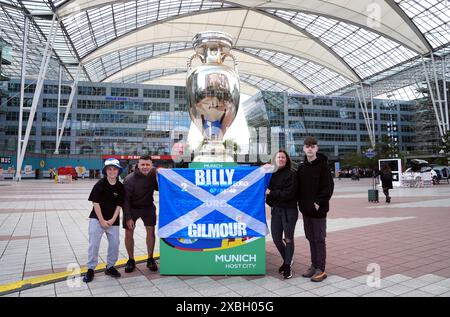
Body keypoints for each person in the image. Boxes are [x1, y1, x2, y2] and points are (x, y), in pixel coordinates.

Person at [296, 136, 333, 282]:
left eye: (313, 146)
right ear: (304, 149)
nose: (310, 148)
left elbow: (328, 187)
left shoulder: (323, 165)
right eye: (307, 146)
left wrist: (318, 203)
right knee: (310, 238)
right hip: (306, 210)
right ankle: (313, 265)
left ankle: (321, 269)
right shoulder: (302, 167)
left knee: (319, 239)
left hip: (318, 211)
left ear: (316, 148)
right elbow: (297, 188)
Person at [84, 158, 124, 283]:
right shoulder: (100, 185)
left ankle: (110, 266)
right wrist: (101, 220)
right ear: (106, 171)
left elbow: (119, 205)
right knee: (94, 244)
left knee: (114, 244)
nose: (112, 171)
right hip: (97, 218)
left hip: (113, 220)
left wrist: (112, 220)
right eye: (109, 169)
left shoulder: (120, 187)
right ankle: (90, 269)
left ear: (118, 171)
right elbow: (96, 203)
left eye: (115, 169)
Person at [123, 155, 159, 273]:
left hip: (148, 207)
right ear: (138, 165)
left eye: (147, 165)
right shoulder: (129, 179)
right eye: (142, 164)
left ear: (151, 165)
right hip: (132, 208)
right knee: (129, 233)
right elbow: (125, 201)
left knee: (151, 231)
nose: (145, 167)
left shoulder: (153, 175)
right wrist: (128, 217)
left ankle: (150, 258)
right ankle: (131, 260)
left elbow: (159, 187)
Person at [266, 150, 298, 279]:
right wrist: (271, 198)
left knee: (289, 239)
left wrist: (272, 193)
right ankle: (288, 260)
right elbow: (268, 196)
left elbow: (289, 194)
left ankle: (287, 266)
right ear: (275, 159)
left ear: (287, 159)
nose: (281, 159)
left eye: (283, 157)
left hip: (289, 210)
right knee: (276, 238)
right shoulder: (271, 175)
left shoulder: (292, 174)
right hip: (276, 210)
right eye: (278, 157)